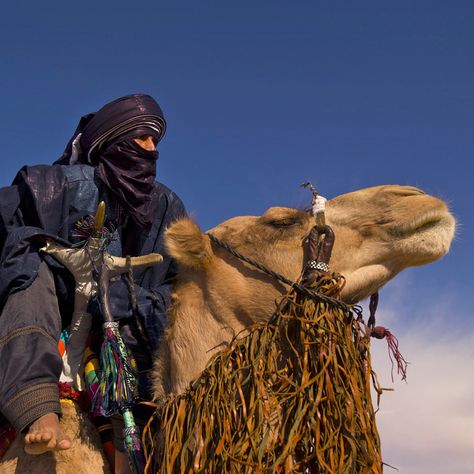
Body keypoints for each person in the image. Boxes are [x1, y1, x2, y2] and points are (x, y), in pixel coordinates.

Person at [0, 94, 186, 468]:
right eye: (142, 138)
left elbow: (180, 280)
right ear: (111, 141)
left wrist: (131, 296)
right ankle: (37, 408)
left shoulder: (167, 206)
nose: (152, 150)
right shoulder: (53, 184)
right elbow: (7, 227)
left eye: (156, 141)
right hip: (56, 302)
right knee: (29, 277)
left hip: (123, 325)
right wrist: (44, 249)